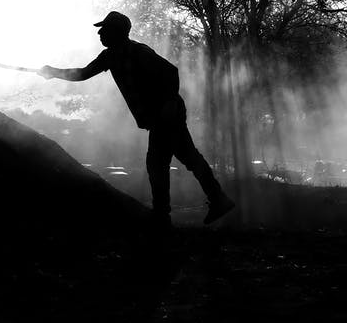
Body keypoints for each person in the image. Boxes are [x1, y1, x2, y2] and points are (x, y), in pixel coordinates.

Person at [38, 11, 235, 227]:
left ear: (118, 32)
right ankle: (212, 200)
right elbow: (83, 74)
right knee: (183, 159)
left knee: (160, 163)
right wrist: (53, 72)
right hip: (161, 118)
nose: (100, 33)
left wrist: (169, 103)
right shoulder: (110, 56)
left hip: (167, 116)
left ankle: (164, 215)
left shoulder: (140, 52)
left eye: (105, 30)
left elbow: (171, 72)